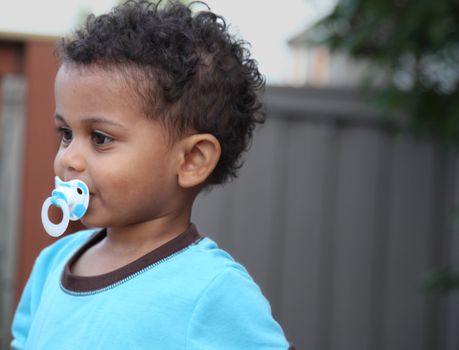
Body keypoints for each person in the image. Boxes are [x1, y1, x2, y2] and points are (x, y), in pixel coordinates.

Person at [11, 1, 293, 349]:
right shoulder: (51, 265)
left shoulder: (212, 290)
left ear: (191, 159)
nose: (68, 158)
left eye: (100, 138)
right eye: (66, 133)